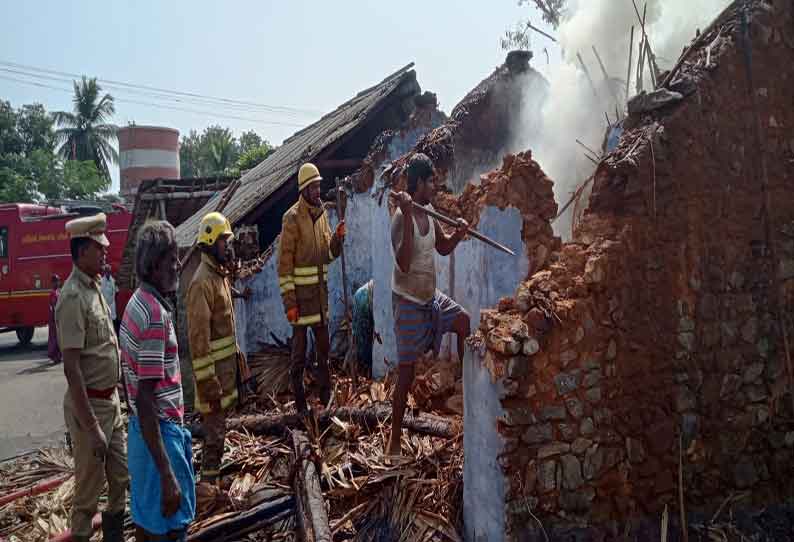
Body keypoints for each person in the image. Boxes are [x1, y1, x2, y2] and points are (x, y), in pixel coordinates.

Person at [387, 153, 471, 457]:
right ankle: (394, 440)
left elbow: (444, 247)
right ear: (420, 182)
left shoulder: (431, 211)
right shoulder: (400, 219)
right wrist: (407, 215)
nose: (435, 185)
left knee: (463, 321)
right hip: (408, 303)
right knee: (406, 374)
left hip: (430, 298)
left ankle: (464, 390)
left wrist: (459, 234)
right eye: (432, 180)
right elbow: (405, 263)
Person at [120, 221, 195, 541]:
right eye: (172, 259)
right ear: (153, 265)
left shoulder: (137, 301)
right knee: (170, 529)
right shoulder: (153, 315)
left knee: (148, 528)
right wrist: (167, 474)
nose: (178, 265)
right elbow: (146, 400)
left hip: (145, 435)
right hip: (159, 436)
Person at [55, 213, 127, 542]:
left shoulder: (95, 287)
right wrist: (92, 427)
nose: (104, 253)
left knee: (121, 477)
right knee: (87, 493)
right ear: (83, 250)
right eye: (99, 248)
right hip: (91, 410)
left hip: (110, 403)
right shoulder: (72, 297)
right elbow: (72, 369)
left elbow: (107, 346)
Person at [277, 163, 346, 413]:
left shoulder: (323, 215)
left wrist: (337, 239)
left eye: (319, 186)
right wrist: (290, 304)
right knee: (298, 356)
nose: (318, 190)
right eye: (314, 187)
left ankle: (325, 400)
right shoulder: (292, 218)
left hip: (319, 298)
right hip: (300, 302)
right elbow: (284, 267)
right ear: (304, 189)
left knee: (324, 354)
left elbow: (328, 255)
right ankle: (301, 405)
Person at [186, 212, 248, 484]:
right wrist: (208, 383)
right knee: (214, 438)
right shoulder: (202, 283)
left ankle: (212, 480)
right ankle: (208, 488)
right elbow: (198, 341)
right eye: (224, 241)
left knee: (219, 434)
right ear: (210, 242)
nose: (228, 246)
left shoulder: (218, 275)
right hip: (213, 382)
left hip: (223, 376)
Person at [352, 279, 375, 372]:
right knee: (364, 338)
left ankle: (364, 367)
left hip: (364, 295)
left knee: (362, 337)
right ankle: (365, 368)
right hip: (364, 297)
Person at [100, 264, 119, 333]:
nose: (108, 273)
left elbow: (116, 291)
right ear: (104, 272)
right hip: (105, 304)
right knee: (106, 321)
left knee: (113, 320)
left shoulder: (113, 280)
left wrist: (112, 300)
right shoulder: (101, 281)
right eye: (106, 271)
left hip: (112, 304)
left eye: (109, 271)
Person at [48, 274, 62, 364]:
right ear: (52, 283)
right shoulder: (53, 293)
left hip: (58, 318)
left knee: (59, 338)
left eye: (58, 281)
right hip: (54, 318)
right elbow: (53, 306)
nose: (57, 282)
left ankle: (58, 356)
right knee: (54, 338)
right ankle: (55, 356)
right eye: (56, 281)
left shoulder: (58, 292)